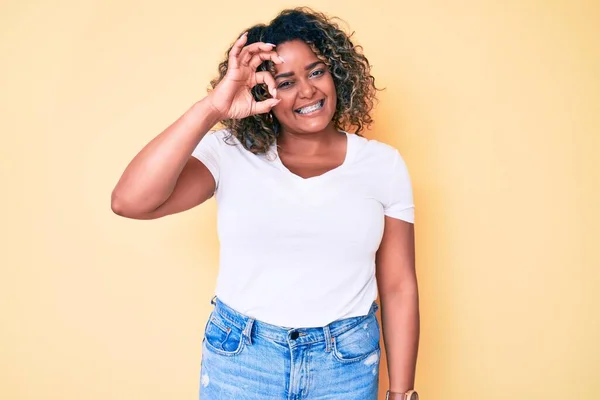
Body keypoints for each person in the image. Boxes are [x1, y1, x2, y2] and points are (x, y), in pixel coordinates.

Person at [111, 7, 419, 400]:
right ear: (262, 92)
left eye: (316, 71)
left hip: (345, 365)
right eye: (285, 81)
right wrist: (214, 108)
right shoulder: (228, 153)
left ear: (337, 73)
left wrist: (402, 392)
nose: (307, 91)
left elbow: (397, 285)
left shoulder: (382, 164)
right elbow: (129, 201)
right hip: (242, 360)